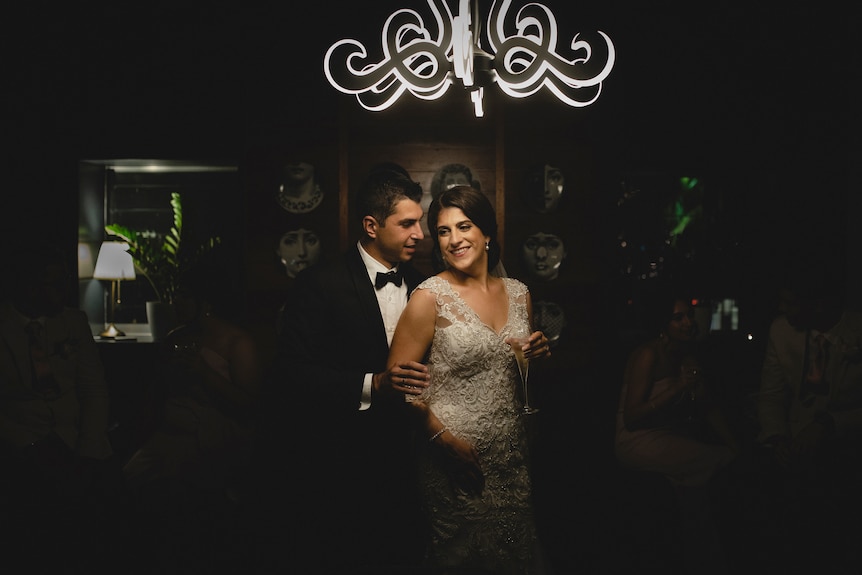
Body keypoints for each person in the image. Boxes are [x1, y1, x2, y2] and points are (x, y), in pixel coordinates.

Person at [266, 164, 430, 573]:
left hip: (416, 461)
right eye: (408, 223)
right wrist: (372, 383)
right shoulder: (319, 284)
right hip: (341, 462)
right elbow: (289, 372)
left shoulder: (426, 285)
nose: (420, 234)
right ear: (371, 225)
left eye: (421, 222)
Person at [387, 185, 552, 574]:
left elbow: (509, 374)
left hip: (512, 456)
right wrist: (442, 441)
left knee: (516, 552)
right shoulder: (429, 298)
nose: (455, 239)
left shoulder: (518, 293)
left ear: (487, 233)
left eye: (464, 226)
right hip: (453, 459)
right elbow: (398, 387)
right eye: (443, 231)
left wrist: (537, 354)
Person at [122, 262, 261, 573]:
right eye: (176, 296)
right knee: (126, 486)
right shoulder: (175, 337)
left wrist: (204, 374)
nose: (176, 303)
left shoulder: (237, 342)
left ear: (206, 302)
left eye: (184, 296)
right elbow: (157, 393)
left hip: (214, 434)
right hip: (168, 434)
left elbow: (250, 404)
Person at [0, 243, 128, 573]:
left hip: (76, 438)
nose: (62, 290)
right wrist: (23, 443)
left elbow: (94, 388)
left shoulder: (72, 321)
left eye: (64, 280)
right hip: (22, 442)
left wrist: (87, 446)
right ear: (29, 285)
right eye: (52, 283)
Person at [755, 238, 862, 571]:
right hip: (792, 443)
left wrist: (829, 425)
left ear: (818, 304)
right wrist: (776, 437)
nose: (783, 310)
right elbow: (771, 395)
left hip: (847, 449)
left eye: (791, 302)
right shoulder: (780, 331)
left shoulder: (857, 331)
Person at [614, 290, 739, 574]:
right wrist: (677, 389)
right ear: (663, 324)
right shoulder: (647, 355)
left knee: (700, 490)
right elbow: (632, 417)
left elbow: (708, 407)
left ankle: (700, 557)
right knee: (714, 461)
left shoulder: (686, 358)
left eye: (689, 315)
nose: (688, 322)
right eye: (677, 318)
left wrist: (735, 445)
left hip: (669, 436)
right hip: (636, 440)